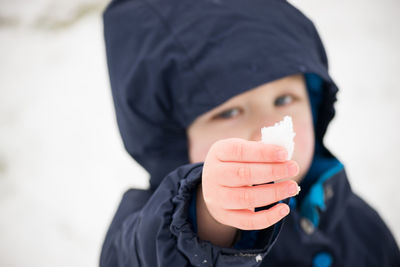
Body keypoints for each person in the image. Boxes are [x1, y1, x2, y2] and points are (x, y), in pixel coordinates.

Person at [100, 0, 400, 266]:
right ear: (174, 137)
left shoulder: (355, 222)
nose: (264, 129)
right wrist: (202, 219)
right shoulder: (146, 229)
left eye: (283, 100)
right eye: (228, 112)